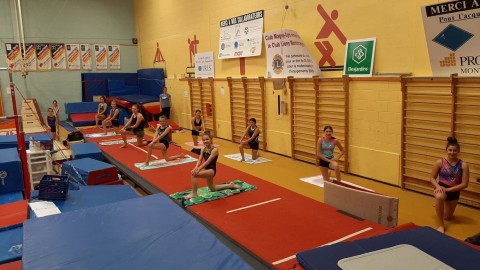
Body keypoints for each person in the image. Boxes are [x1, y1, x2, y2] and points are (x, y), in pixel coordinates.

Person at [430, 137, 469, 234]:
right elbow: (432, 178)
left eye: (455, 150)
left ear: (458, 151)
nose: (452, 152)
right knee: (440, 196)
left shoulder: (463, 165)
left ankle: (439, 205)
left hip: (454, 190)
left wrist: (449, 190)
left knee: (447, 217)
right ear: (446, 150)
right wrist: (438, 187)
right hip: (441, 187)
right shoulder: (440, 162)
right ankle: (441, 225)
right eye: (450, 150)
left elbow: (465, 184)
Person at [184, 133, 240, 199]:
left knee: (194, 174)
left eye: (207, 139)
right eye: (203, 140)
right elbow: (199, 160)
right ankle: (230, 185)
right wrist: (196, 167)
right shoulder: (203, 149)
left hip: (212, 170)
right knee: (213, 188)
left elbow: (208, 162)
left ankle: (194, 193)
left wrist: (198, 169)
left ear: (211, 140)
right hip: (207, 169)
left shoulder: (214, 150)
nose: (205, 141)